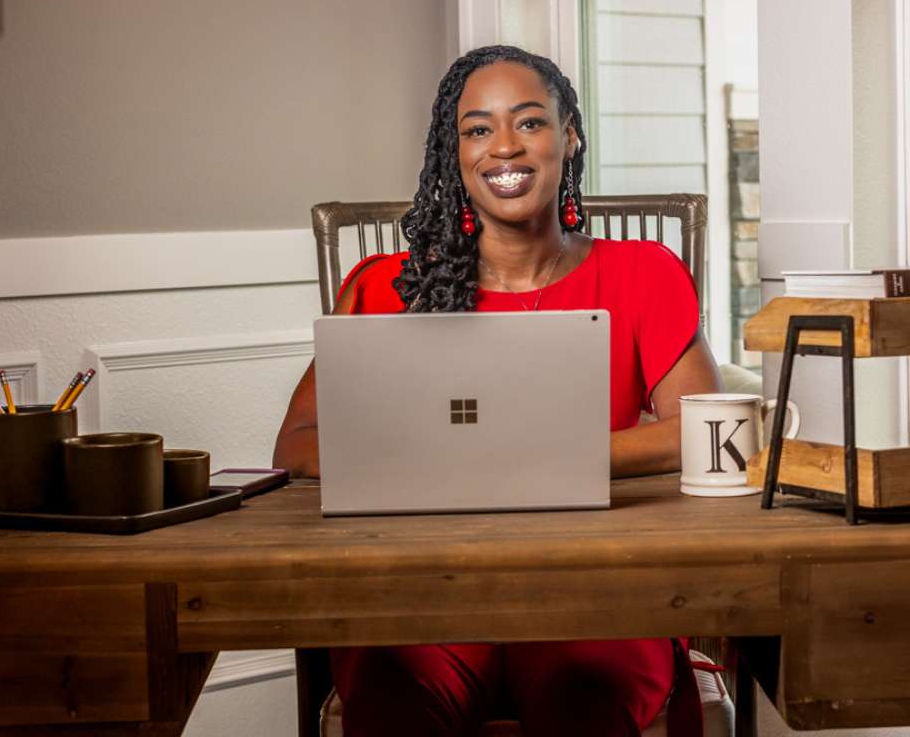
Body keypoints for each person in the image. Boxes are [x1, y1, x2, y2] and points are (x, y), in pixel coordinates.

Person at [273, 44, 720, 737]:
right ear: (453, 153)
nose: (504, 147)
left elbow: (707, 429)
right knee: (396, 703)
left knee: (587, 705)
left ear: (569, 134)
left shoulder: (643, 274)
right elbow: (296, 444)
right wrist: (436, 469)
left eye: (530, 122)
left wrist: (549, 462)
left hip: (591, 591)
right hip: (422, 592)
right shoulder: (386, 286)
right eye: (478, 129)